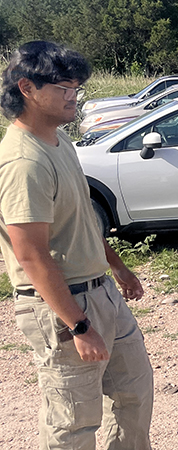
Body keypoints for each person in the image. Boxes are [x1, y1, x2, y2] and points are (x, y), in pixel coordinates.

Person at [0, 41, 153, 449]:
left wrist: (117, 267)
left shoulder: (59, 140)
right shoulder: (23, 161)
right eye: (65, 89)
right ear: (27, 88)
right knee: (74, 422)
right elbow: (30, 254)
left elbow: (80, 218)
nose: (75, 97)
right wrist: (79, 326)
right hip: (62, 308)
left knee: (134, 394)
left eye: (76, 88)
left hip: (101, 291)